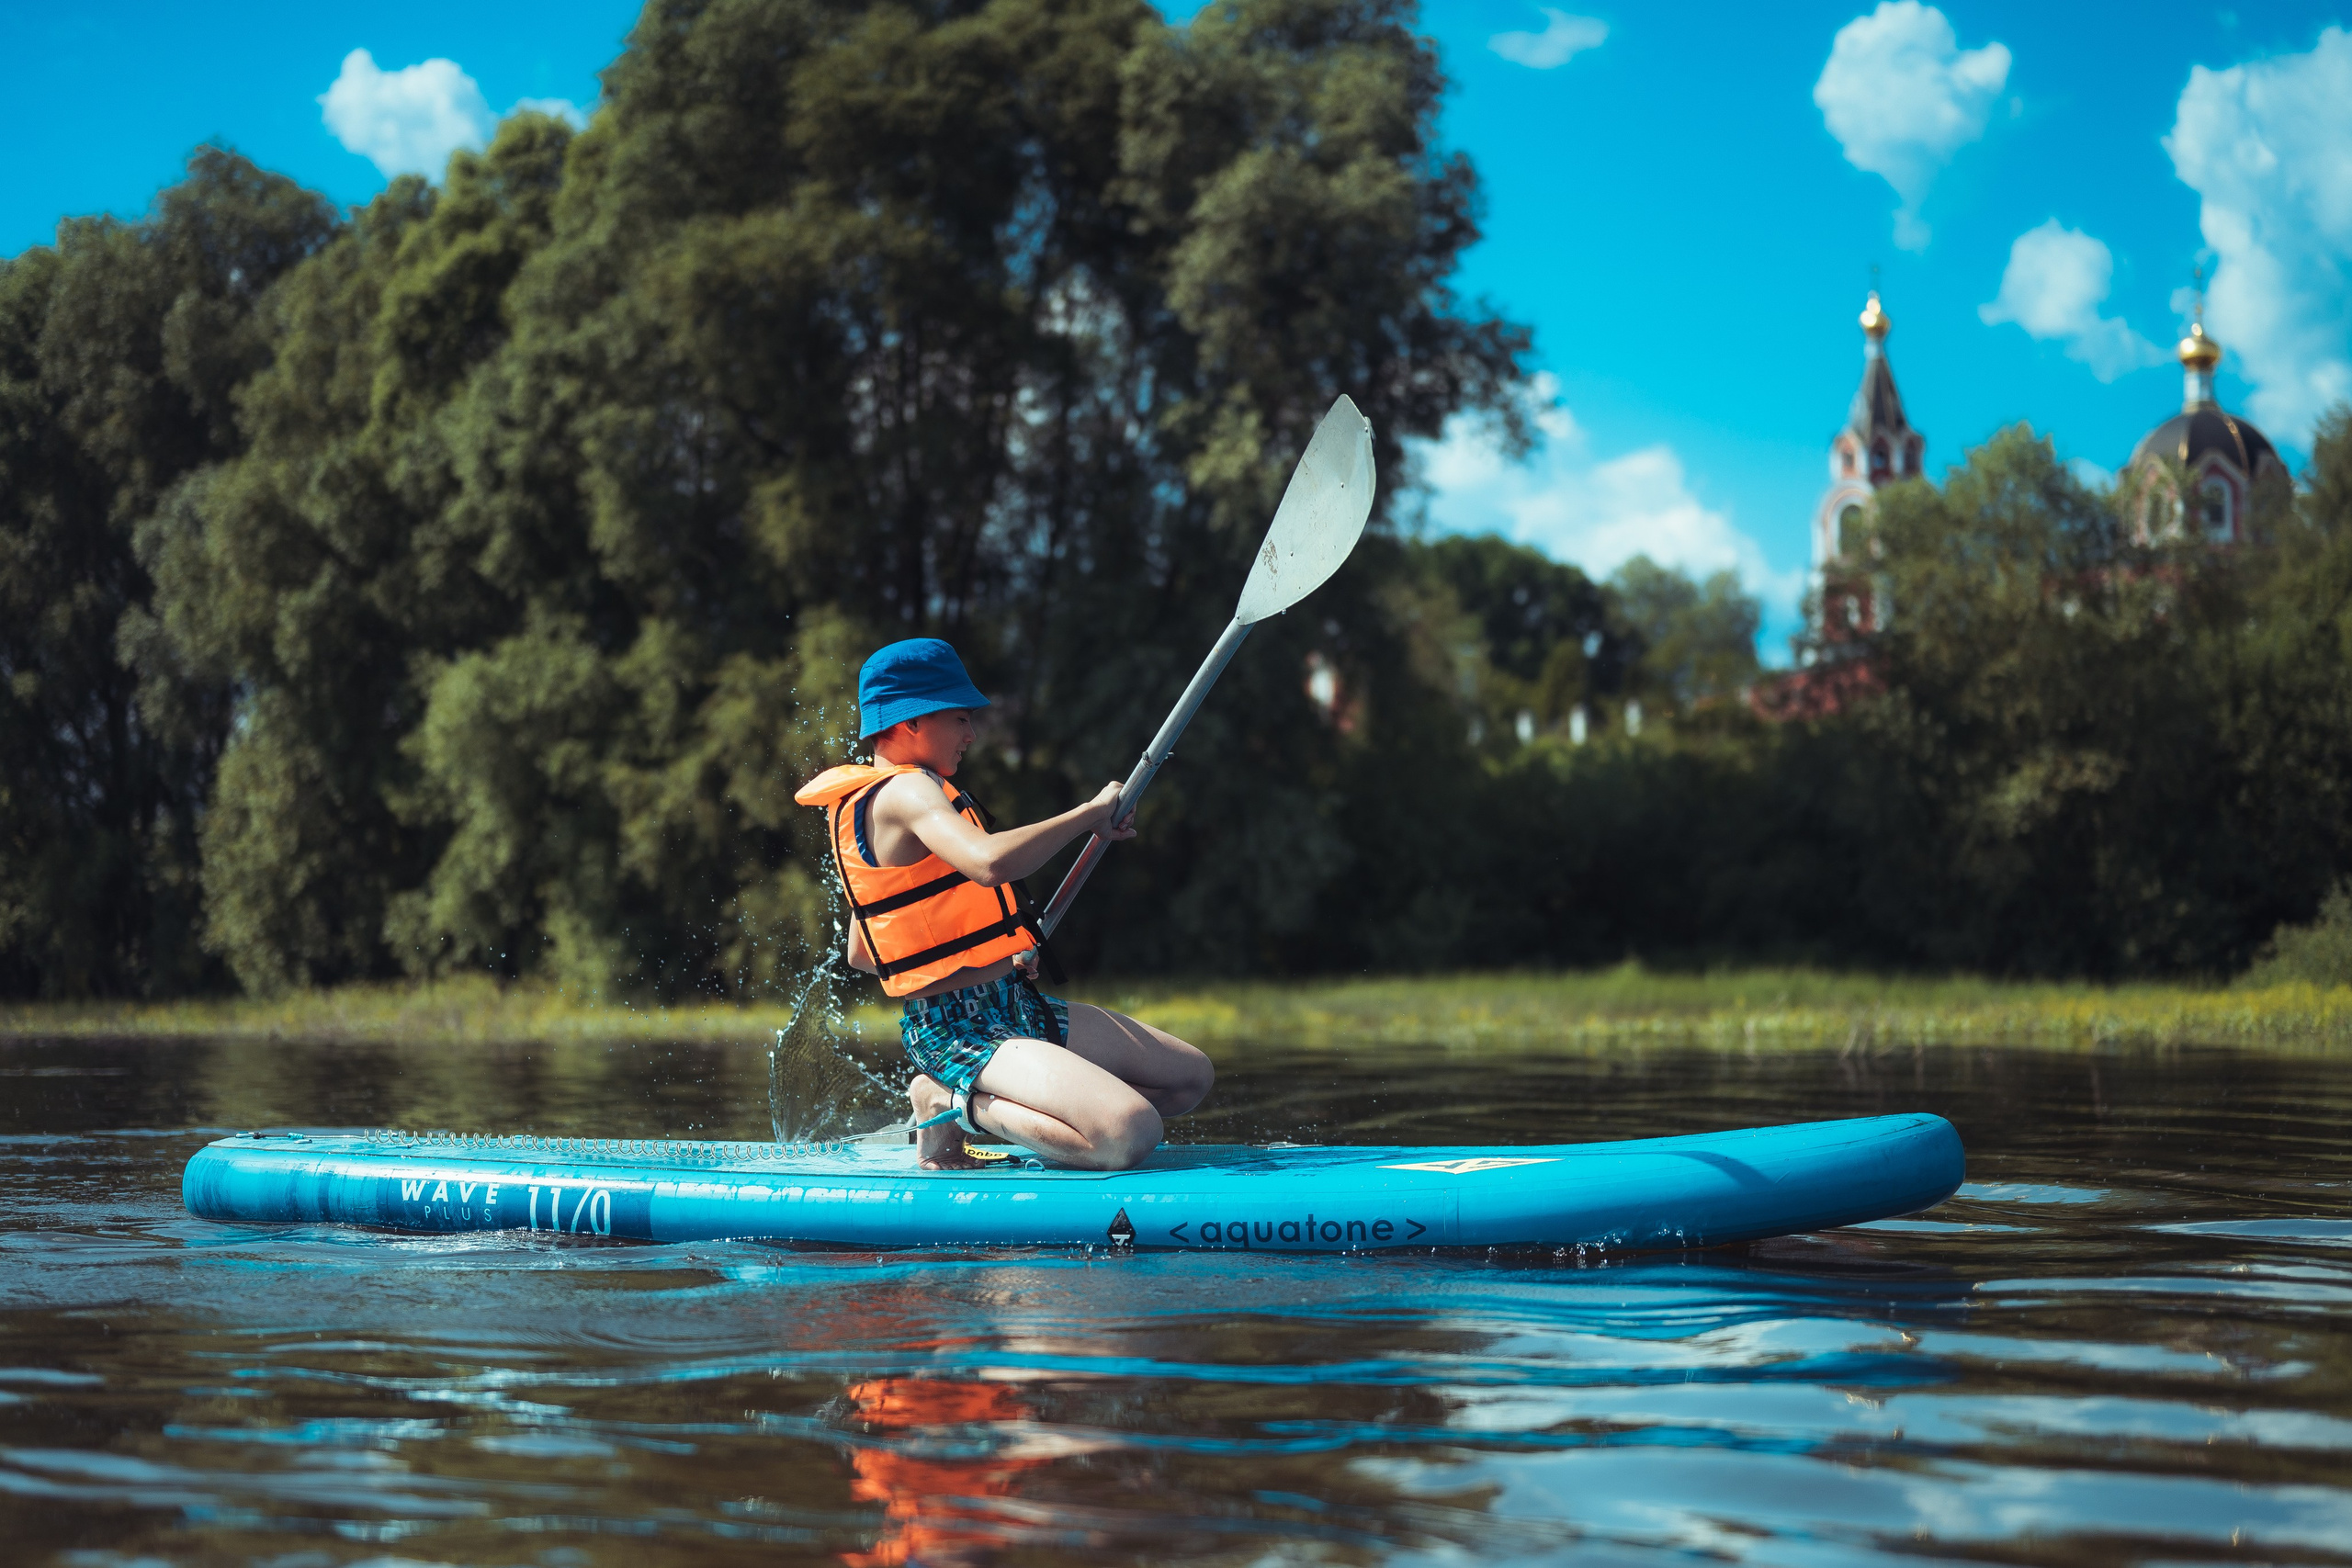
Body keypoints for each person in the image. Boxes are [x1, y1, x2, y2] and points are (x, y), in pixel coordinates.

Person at [794, 638, 1214, 1170]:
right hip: (957, 1026)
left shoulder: (891, 801)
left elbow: (863, 950)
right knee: (1131, 1132)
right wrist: (1088, 815)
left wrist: (994, 953)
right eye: (961, 718)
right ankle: (946, 1103)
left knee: (1188, 1078)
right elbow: (990, 864)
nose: (972, 735)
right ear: (911, 722)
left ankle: (1037, 1113)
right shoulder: (907, 792)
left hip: (1010, 999)